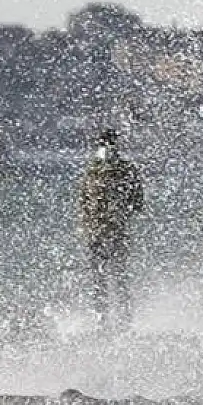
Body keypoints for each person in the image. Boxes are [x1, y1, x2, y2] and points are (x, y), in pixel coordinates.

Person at [78, 128, 144, 327]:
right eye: (104, 143)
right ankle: (103, 318)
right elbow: (83, 201)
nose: (107, 148)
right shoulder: (92, 170)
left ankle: (121, 318)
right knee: (100, 276)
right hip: (97, 230)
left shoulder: (123, 169)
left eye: (109, 143)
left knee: (116, 275)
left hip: (112, 229)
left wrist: (120, 213)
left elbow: (138, 201)